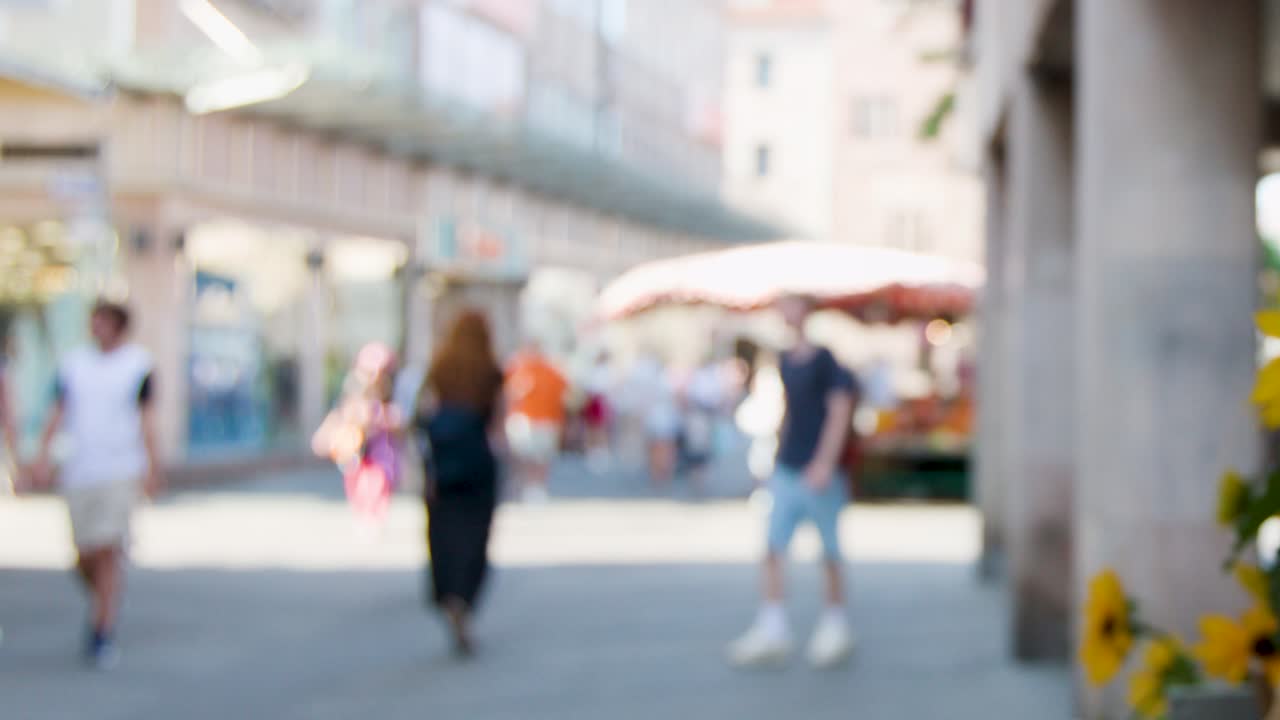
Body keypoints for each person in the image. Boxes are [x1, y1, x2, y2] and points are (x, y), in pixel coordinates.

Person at [31, 301, 164, 669]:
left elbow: (147, 418)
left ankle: (102, 628)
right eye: (94, 321)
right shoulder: (74, 365)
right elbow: (56, 411)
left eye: (103, 322)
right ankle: (106, 595)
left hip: (120, 468)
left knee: (107, 547)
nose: (96, 328)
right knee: (85, 553)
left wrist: (153, 466)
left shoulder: (139, 365)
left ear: (119, 326)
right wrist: (41, 457)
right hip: (79, 469)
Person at [728, 295, 857, 669]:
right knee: (772, 547)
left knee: (829, 551)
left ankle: (836, 623)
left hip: (818, 470)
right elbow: (789, 413)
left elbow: (839, 412)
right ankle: (772, 624)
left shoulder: (826, 360)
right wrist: (774, 455)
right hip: (787, 466)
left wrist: (823, 462)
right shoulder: (785, 359)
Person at [416, 311, 505, 656]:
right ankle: (464, 598)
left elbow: (422, 415)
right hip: (478, 462)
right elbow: (498, 422)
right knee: (475, 533)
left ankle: (448, 592)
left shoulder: (439, 367)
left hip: (443, 462)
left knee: (443, 531)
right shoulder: (491, 370)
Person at [311, 342, 404, 536]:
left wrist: (385, 419)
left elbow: (399, 419)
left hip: (381, 449)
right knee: (358, 481)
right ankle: (365, 514)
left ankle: (375, 515)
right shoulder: (353, 391)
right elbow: (340, 414)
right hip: (357, 447)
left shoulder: (390, 394)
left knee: (378, 481)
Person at [503, 340, 568, 503]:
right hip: (524, 418)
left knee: (542, 455)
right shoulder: (518, 368)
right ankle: (527, 485)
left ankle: (538, 486)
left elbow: (562, 393)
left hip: (546, 418)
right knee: (525, 455)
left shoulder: (550, 370)